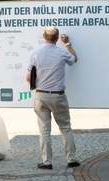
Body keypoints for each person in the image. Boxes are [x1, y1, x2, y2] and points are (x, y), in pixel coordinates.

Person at [26, 26, 80, 169]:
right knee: (65, 128)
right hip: (58, 96)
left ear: (44, 36)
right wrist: (67, 43)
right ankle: (71, 160)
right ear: (57, 38)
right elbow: (74, 59)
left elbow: (28, 77)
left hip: (41, 95)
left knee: (44, 131)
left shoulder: (35, 54)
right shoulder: (62, 53)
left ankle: (47, 162)